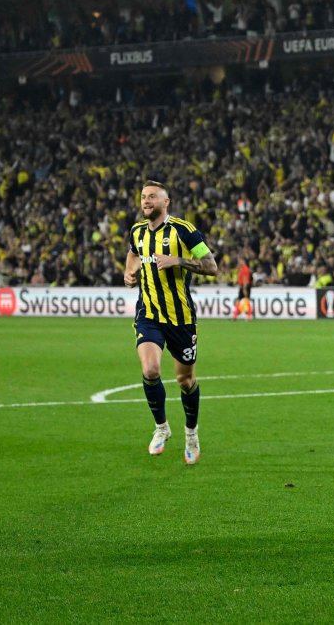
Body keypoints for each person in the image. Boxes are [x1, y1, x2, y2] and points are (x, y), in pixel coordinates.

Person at [123, 181, 219, 465]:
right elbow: (132, 254)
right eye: (143, 196)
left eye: (152, 196)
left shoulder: (184, 230)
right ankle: (161, 427)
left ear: (166, 202)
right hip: (149, 314)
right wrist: (130, 274)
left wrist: (178, 260)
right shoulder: (137, 231)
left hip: (181, 319)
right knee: (150, 370)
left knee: (185, 380)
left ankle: (192, 433)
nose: (146, 201)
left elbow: (211, 266)